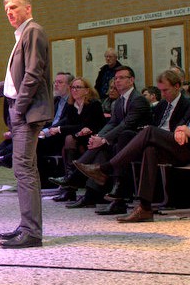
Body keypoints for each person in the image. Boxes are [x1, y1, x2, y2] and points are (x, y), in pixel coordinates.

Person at [75, 62, 190, 222]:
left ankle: (105, 169)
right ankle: (145, 208)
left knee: (149, 131)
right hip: (184, 144)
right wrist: (181, 129)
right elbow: (183, 121)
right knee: (150, 149)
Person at [0, 0, 52, 249]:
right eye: (6, 9)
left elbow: (33, 73)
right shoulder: (23, 35)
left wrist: (20, 108)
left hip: (26, 112)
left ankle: (32, 232)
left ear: (28, 8)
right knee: (25, 170)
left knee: (24, 170)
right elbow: (19, 77)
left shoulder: (33, 31)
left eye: (14, 7)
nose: (9, 12)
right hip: (21, 108)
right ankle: (27, 225)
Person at [51, 66, 151, 211]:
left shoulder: (138, 100)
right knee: (100, 150)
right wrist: (98, 137)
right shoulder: (118, 102)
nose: (117, 81)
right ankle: (91, 194)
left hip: (135, 142)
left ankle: (74, 178)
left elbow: (126, 124)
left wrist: (103, 139)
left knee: (108, 144)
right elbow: (111, 123)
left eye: (122, 78)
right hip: (119, 141)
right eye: (116, 78)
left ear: (131, 80)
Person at [0, 72, 72, 195]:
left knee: (15, 143)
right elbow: (46, 121)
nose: (56, 85)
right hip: (42, 136)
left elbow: (65, 123)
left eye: (60, 82)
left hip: (55, 139)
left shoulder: (71, 104)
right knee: (3, 146)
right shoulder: (56, 101)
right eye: (55, 82)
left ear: (69, 86)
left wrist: (39, 132)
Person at [49, 76, 106, 202]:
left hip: (94, 137)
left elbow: (88, 125)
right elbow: (72, 126)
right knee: (68, 140)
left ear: (87, 90)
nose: (74, 90)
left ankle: (69, 183)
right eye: (73, 87)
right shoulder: (71, 106)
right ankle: (69, 185)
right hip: (78, 137)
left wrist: (60, 129)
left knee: (69, 139)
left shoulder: (94, 104)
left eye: (78, 87)